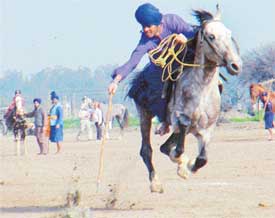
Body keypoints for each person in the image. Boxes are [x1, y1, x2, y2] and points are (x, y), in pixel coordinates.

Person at [108, 3, 195, 136]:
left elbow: (192, 33)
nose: (146, 29)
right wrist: (116, 81)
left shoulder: (172, 21)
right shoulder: (145, 41)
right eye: (143, 27)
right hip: (162, 70)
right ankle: (165, 120)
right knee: (157, 87)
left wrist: (186, 38)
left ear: (159, 23)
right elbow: (133, 61)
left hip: (185, 61)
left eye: (148, 26)